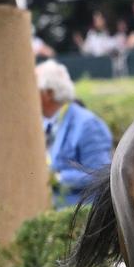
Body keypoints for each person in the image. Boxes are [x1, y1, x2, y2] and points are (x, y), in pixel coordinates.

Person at [36, 60, 113, 208]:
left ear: (48, 93)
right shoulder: (41, 123)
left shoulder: (87, 124)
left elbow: (100, 176)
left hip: (79, 217)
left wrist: (57, 178)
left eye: (33, 88)